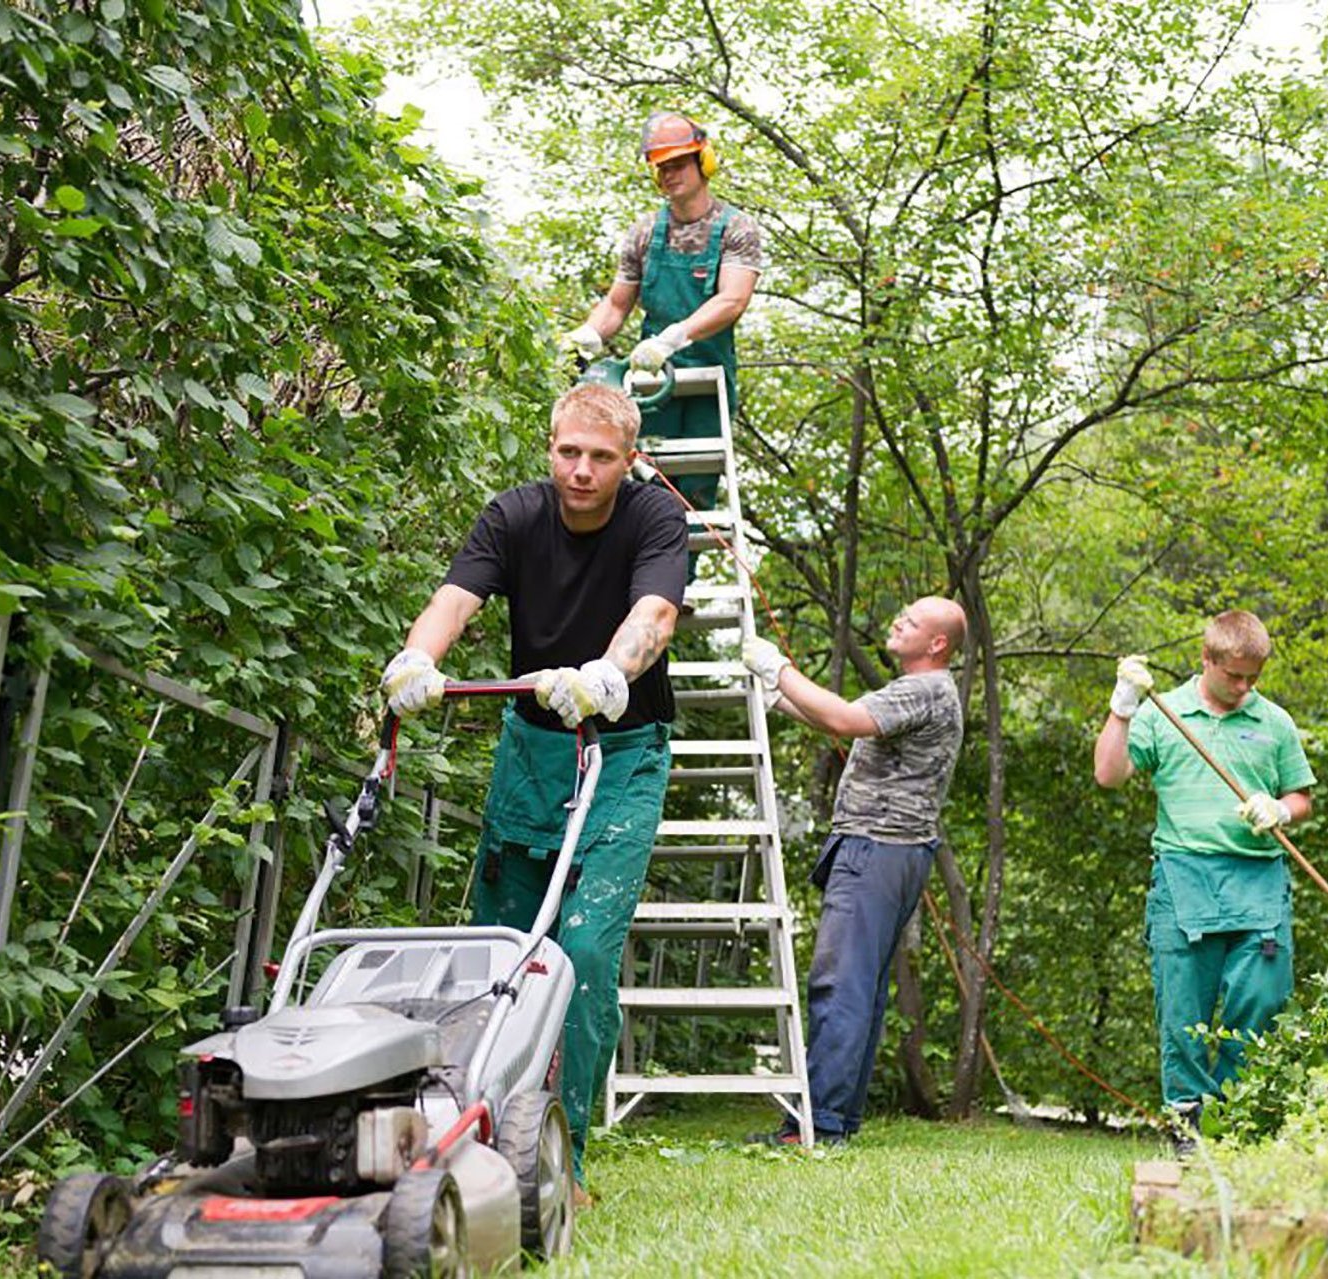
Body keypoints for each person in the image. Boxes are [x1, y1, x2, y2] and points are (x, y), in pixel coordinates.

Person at [380, 381, 687, 1201]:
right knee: (500, 949)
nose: (581, 471)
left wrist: (607, 673)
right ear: (550, 447)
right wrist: (417, 660)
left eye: (600, 457)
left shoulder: (655, 519)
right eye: (568, 452)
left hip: (622, 752)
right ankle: (482, 1136)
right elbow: (454, 599)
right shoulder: (513, 516)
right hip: (531, 751)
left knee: (582, 951)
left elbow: (654, 615)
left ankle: (565, 1156)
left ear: (630, 460)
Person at [740, 596, 967, 1144]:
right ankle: (834, 1118)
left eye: (911, 621)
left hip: (878, 850)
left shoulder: (924, 688)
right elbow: (845, 721)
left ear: (937, 644)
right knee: (858, 988)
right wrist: (780, 696)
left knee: (840, 985)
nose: (897, 622)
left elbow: (842, 720)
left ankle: (817, 1125)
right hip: (891, 851)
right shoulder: (924, 692)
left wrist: (780, 668)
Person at [1093, 609, 1316, 1153]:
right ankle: (1187, 1129)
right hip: (1184, 877)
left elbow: (1302, 797)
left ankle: (1236, 1121)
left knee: (1259, 1004)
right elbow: (1109, 775)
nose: (1244, 688)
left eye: (1254, 678)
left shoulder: (1275, 723)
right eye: (1234, 675)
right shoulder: (1164, 713)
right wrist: (1122, 709)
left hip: (1258, 881)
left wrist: (1281, 811)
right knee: (1184, 1013)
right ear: (1207, 660)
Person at [562, 110, 764, 516]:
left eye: (678, 164)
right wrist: (587, 337)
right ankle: (642, 578)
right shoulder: (645, 232)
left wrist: (672, 339)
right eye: (661, 167)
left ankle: (684, 578)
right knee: (643, 484)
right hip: (652, 379)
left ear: (703, 161)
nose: (669, 174)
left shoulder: (735, 228)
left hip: (707, 377)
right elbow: (618, 304)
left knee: (695, 494)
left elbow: (732, 300)